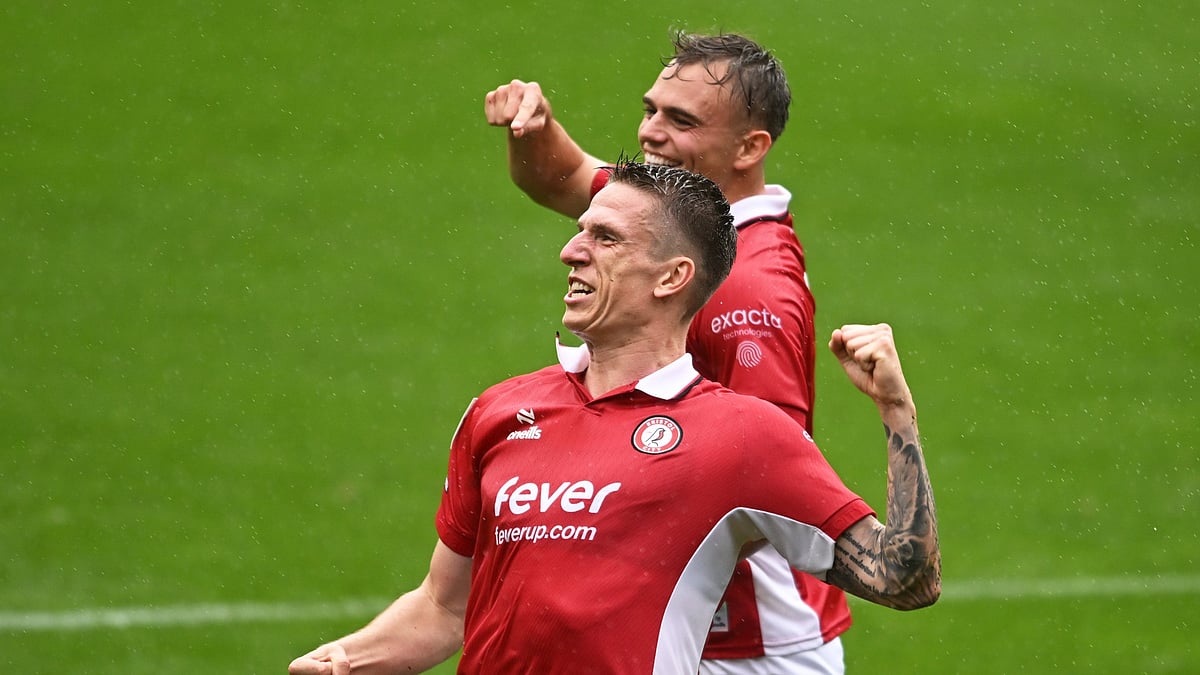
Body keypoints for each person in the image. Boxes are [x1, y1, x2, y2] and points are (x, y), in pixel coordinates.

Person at [288, 160, 940, 674]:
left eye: (604, 238)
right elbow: (443, 606)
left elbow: (906, 575)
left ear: (670, 277)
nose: (572, 252)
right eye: (580, 231)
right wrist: (348, 658)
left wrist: (896, 411)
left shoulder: (739, 437)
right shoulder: (500, 413)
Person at [485, 32, 848, 673]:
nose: (650, 133)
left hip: (749, 647)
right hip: (677, 622)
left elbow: (770, 476)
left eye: (679, 121)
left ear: (750, 147)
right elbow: (562, 177)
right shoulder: (675, 216)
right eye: (651, 109)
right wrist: (529, 127)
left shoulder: (749, 290)